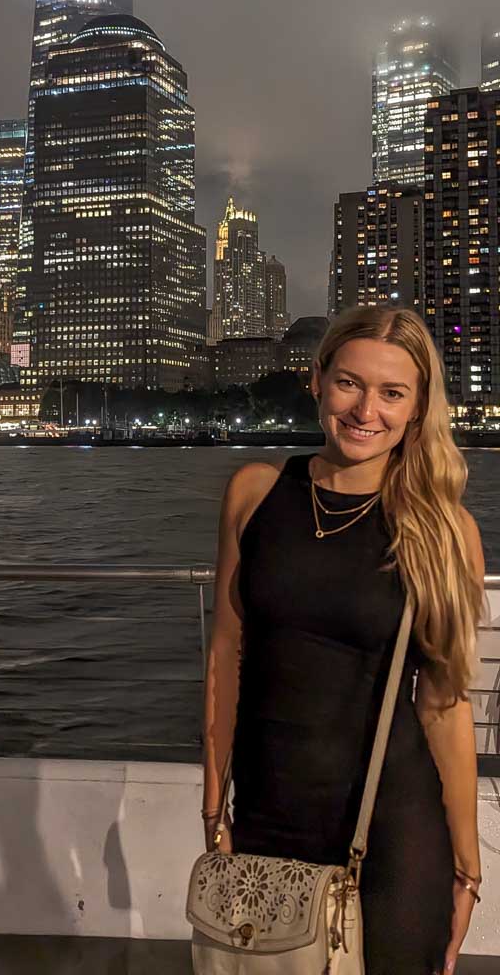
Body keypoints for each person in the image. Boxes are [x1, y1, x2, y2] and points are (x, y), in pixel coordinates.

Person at [201, 306, 485, 974]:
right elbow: (226, 657)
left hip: (395, 825)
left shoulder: (444, 530)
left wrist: (467, 867)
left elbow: (442, 706)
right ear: (318, 380)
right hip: (269, 811)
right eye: (350, 383)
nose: (366, 411)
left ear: (418, 409)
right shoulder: (255, 494)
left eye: (393, 393)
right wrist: (214, 809)